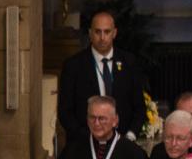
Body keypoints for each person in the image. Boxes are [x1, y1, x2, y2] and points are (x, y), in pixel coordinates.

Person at [56, 8, 147, 150]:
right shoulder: (73, 65)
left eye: (107, 32)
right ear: (90, 34)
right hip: (84, 146)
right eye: (98, 32)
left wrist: (129, 136)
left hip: (122, 144)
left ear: (114, 33)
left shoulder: (129, 62)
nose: (102, 37)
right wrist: (88, 138)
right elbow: (65, 112)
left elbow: (139, 107)